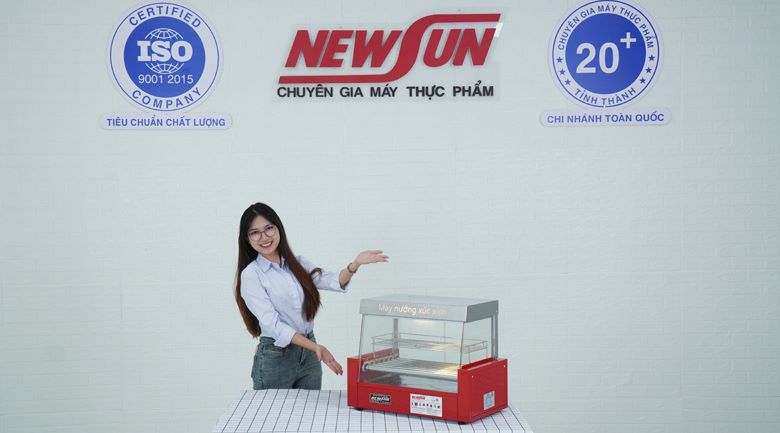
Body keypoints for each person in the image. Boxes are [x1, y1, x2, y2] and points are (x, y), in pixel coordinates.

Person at [234, 202, 388, 390]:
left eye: (269, 228)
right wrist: (315, 347)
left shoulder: (297, 263)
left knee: (310, 408)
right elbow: (273, 325)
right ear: (247, 239)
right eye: (255, 232)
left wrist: (355, 264)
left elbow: (331, 281)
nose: (264, 237)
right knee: (275, 410)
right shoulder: (251, 275)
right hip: (276, 357)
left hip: (309, 354)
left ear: (278, 228)